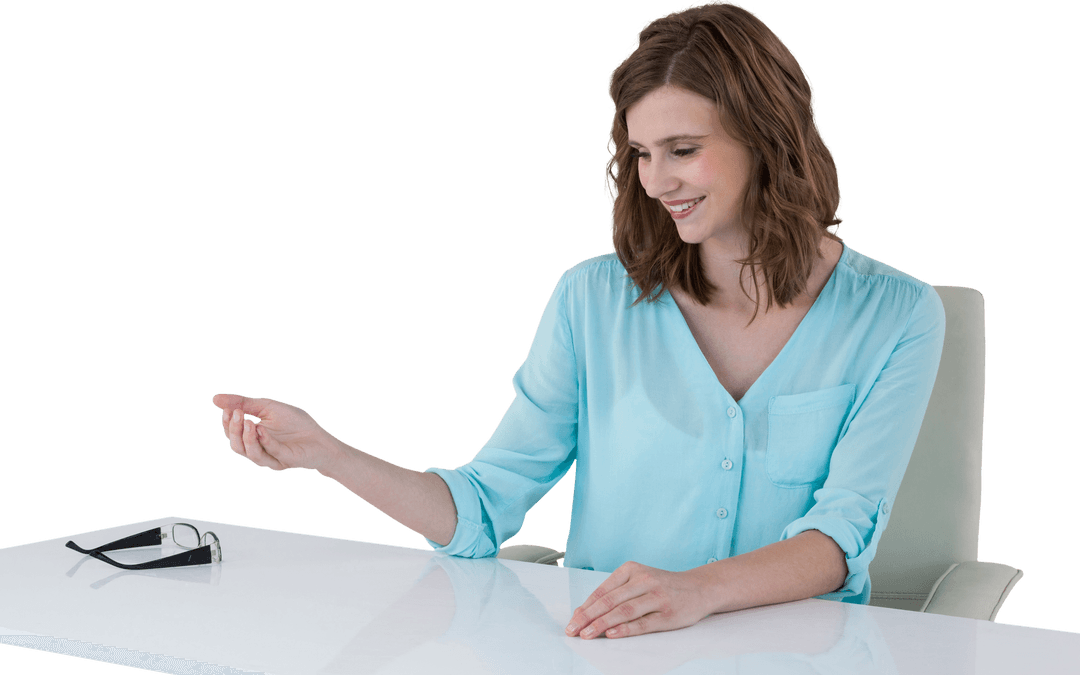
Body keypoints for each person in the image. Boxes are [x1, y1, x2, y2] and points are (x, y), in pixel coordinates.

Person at [212, 0, 945, 641]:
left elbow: (838, 540)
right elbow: (481, 507)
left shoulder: (899, 314)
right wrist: (325, 452)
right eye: (643, 155)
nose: (657, 182)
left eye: (684, 150)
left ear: (767, 140)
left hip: (802, 651)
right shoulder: (592, 301)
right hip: (613, 650)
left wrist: (696, 591)